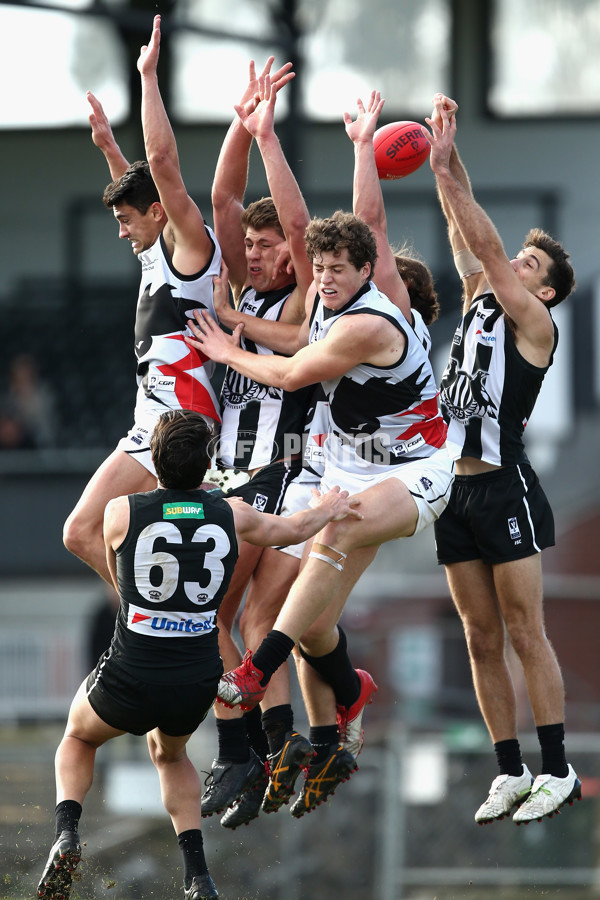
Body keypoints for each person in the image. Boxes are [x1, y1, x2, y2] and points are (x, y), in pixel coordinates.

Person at [186, 82, 454, 816]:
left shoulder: (372, 321)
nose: (327, 277)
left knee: (331, 539)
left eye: (339, 269)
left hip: (412, 466)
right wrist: (362, 144)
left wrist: (225, 345)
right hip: (339, 463)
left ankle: (253, 676)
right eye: (322, 268)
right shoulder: (335, 297)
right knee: (316, 613)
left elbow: (293, 370)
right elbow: (367, 214)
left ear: (371, 273)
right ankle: (340, 717)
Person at [36, 408, 360, 900]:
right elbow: (293, 530)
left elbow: (122, 582)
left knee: (78, 738)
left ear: (156, 459)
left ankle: (66, 832)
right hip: (196, 680)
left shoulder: (120, 512)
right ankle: (197, 875)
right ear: (206, 464)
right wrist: (329, 508)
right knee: (170, 753)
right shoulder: (232, 512)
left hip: (131, 670)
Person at [424, 95, 580, 825]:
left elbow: (485, 243)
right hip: (452, 494)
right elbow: (469, 231)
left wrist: (451, 176)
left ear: (545, 289)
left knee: (525, 632)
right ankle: (510, 770)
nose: (514, 258)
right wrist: (445, 155)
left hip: (505, 488)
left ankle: (558, 769)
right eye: (519, 252)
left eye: (531, 261)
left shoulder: (535, 321)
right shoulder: (479, 295)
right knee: (480, 637)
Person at [197, 58, 317, 830]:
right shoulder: (237, 290)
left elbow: (305, 237)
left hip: (280, 470)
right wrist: (242, 126)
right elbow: (220, 198)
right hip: (228, 466)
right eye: (252, 242)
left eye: (266, 244)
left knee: (236, 617)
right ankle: (272, 749)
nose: (257, 252)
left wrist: (272, 138)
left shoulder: (303, 296)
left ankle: (243, 748)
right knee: (230, 620)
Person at [62, 15, 222, 586]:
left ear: (160, 215)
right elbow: (140, 190)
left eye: (126, 221)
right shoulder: (157, 249)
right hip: (153, 424)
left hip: (181, 426)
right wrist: (108, 147)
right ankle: (162, 625)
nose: (121, 232)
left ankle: (147, 622)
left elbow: (162, 171)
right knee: (98, 537)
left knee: (83, 531)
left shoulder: (190, 249)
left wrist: (148, 78)